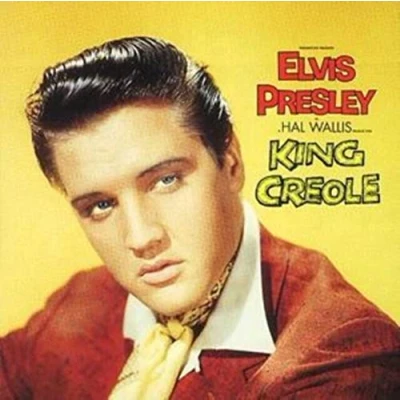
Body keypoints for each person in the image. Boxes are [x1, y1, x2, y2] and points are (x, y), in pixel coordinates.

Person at [1, 36, 399, 400]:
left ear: (231, 162)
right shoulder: (78, 305)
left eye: (166, 180)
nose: (141, 238)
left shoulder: (342, 355)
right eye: (100, 205)